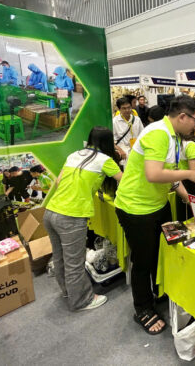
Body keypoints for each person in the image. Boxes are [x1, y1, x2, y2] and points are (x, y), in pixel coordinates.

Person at [114, 95, 195, 335]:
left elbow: (170, 176)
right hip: (136, 208)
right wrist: (189, 174)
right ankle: (142, 308)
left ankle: (160, 290)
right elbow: (154, 174)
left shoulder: (174, 137)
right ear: (183, 116)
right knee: (143, 260)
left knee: (163, 250)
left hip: (158, 204)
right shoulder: (158, 133)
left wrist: (189, 200)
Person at [44, 127, 122, 311]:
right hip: (71, 217)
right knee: (74, 263)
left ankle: (68, 291)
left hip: (50, 211)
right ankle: (81, 301)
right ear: (108, 143)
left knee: (59, 258)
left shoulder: (74, 155)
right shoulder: (105, 160)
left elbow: (59, 182)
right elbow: (125, 181)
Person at [113, 97, 145, 166]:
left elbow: (143, 135)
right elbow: (111, 141)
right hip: (123, 151)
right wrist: (120, 150)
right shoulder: (115, 121)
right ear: (119, 109)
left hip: (136, 149)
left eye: (129, 107)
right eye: (124, 108)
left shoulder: (137, 120)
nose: (127, 110)